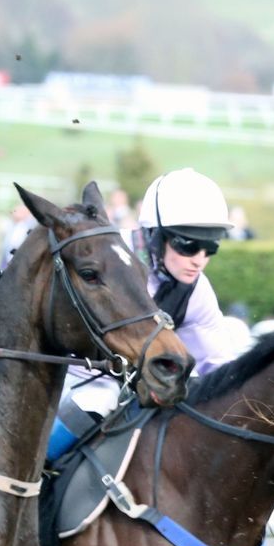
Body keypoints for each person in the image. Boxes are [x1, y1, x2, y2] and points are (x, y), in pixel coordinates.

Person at [62, 167, 250, 417]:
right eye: (188, 246)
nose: (199, 260)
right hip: (68, 376)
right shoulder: (106, 258)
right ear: (154, 235)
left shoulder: (196, 290)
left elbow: (218, 366)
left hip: (132, 389)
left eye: (209, 249)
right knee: (98, 401)